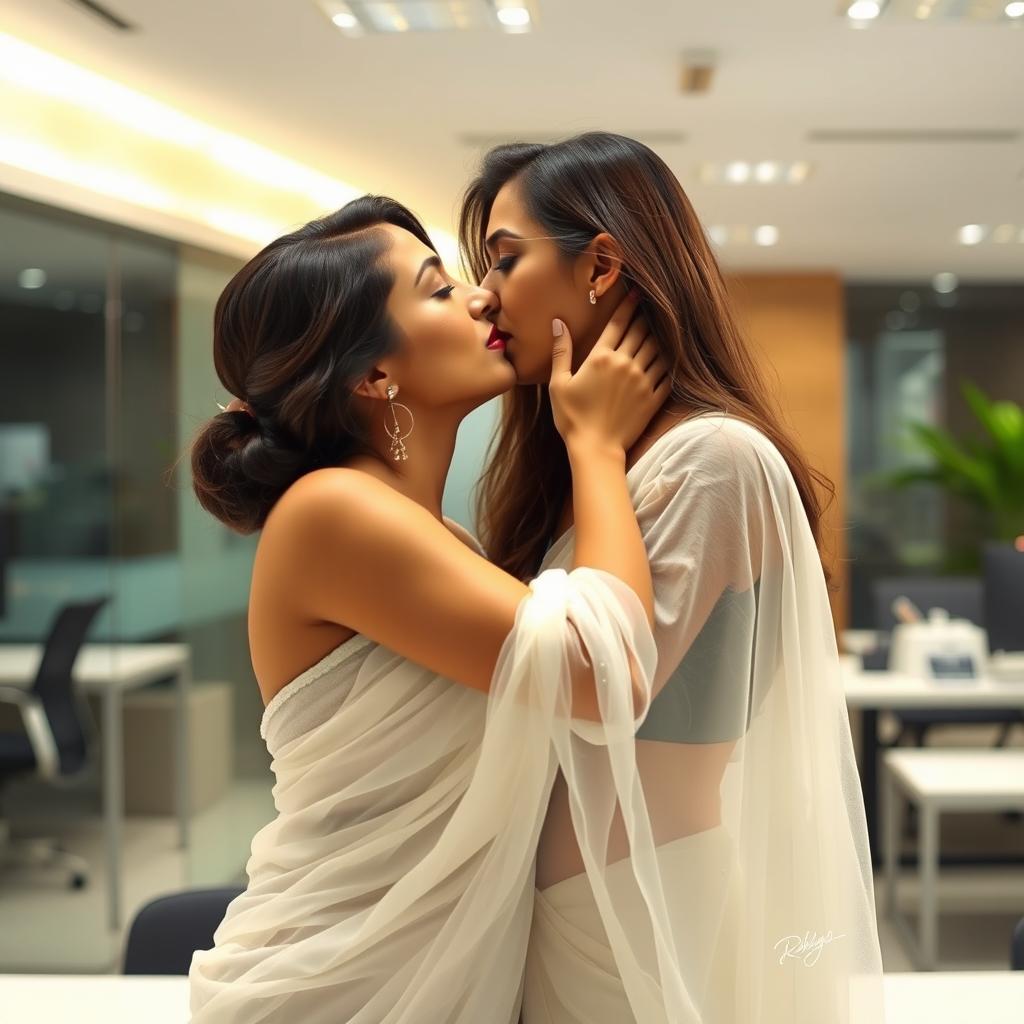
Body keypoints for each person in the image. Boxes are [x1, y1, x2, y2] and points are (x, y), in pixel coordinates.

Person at [185, 194, 671, 1023]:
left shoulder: (428, 532)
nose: (484, 296)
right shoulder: (333, 510)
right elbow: (604, 676)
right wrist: (596, 448)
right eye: (440, 288)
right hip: (337, 986)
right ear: (375, 375)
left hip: (421, 980)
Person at [459, 131, 887, 1023]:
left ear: (602, 263)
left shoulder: (714, 458)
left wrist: (593, 448)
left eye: (504, 260)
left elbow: (606, 684)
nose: (483, 296)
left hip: (639, 909)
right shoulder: (604, 465)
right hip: (581, 903)